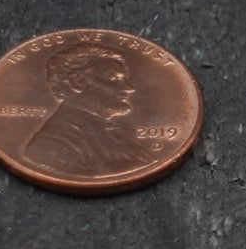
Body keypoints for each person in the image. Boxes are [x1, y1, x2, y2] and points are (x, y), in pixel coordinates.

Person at [20, 43, 151, 175]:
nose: (129, 88)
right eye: (114, 78)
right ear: (77, 81)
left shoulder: (109, 132)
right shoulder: (52, 144)